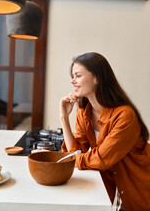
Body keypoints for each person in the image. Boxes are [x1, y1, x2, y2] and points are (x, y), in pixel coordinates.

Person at [60, 52, 150, 211]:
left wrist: (75, 160)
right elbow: (74, 153)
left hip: (139, 189)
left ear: (97, 78)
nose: (72, 80)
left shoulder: (124, 116)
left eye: (78, 75)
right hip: (111, 192)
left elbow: (101, 159)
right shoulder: (84, 111)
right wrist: (64, 118)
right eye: (73, 76)